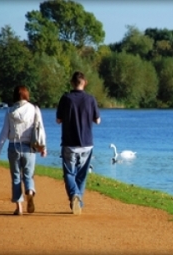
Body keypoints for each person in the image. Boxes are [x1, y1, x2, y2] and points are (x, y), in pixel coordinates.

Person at [0, 85, 47, 215]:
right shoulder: (34, 109)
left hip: (13, 146)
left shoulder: (9, 111)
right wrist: (43, 147)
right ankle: (29, 191)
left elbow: (4, 132)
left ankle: (19, 208)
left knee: (16, 177)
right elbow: (41, 129)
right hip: (29, 147)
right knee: (28, 175)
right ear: (26, 95)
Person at [56, 71, 101, 215]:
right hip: (87, 143)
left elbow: (58, 120)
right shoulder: (91, 99)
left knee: (69, 174)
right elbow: (98, 120)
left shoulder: (66, 98)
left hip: (69, 143)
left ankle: (75, 195)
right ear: (85, 82)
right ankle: (78, 201)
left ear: (72, 82)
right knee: (82, 175)